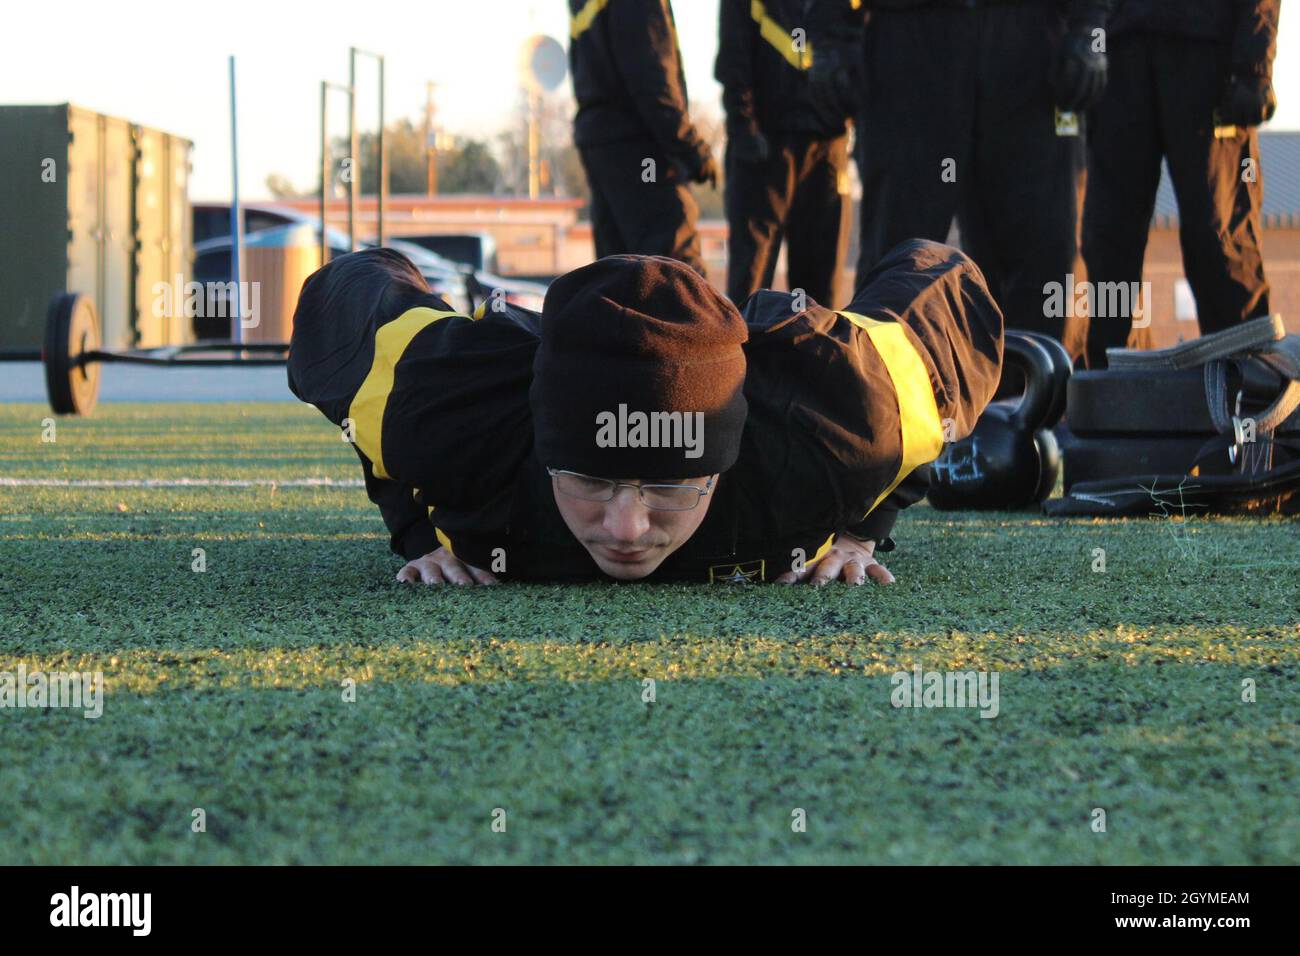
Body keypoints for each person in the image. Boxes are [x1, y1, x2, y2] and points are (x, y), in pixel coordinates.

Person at [286, 240, 1002, 586]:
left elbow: (944, 281)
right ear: (546, 448)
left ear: (721, 463)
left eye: (667, 487)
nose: (626, 530)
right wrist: (416, 531)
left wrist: (862, 524)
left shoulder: (840, 420)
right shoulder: (449, 413)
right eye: (592, 482)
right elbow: (350, 291)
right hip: (512, 368)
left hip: (779, 362)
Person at [809, 0, 1112, 344]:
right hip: (910, 45)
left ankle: (1045, 392)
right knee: (898, 255)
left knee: (1046, 248)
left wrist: (1090, 25)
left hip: (1030, 46)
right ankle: (884, 392)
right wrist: (828, 34)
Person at [1080, 0, 1279, 369]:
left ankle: (1249, 388)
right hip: (1120, 51)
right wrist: (1082, 40)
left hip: (1210, 57)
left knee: (1219, 237)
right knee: (1109, 239)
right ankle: (1107, 390)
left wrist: (1255, 66)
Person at [715, 0, 851, 307]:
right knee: (750, 281)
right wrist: (743, 128)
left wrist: (851, 111)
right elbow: (733, 60)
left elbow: (861, 47)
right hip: (762, 150)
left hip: (827, 148)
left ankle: (816, 355)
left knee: (820, 292)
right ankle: (745, 354)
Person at [568, 0, 719, 275]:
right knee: (676, 277)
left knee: (619, 280)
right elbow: (650, 72)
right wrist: (690, 147)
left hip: (601, 141)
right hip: (640, 146)